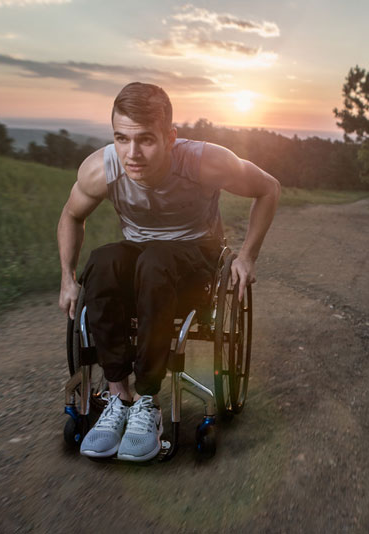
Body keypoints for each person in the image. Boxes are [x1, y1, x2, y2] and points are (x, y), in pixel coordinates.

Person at [57, 82, 280, 461]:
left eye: (146, 140)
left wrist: (247, 256)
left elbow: (268, 188)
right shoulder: (101, 168)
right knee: (104, 260)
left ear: (171, 138)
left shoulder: (204, 162)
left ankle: (147, 400)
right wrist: (67, 276)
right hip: (142, 254)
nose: (132, 153)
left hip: (195, 257)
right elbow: (71, 215)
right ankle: (118, 396)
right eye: (122, 139)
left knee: (156, 260)